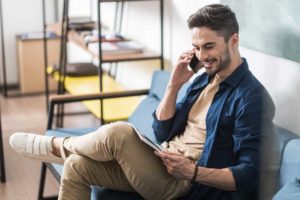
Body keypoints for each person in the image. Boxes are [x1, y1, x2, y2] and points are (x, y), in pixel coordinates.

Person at [9, 4, 275, 200]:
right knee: (77, 166)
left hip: (185, 185)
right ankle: (65, 151)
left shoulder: (251, 98)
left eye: (209, 46)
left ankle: (57, 146)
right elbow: (162, 132)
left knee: (120, 132)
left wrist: (192, 172)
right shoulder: (203, 80)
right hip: (162, 162)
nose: (201, 56)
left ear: (234, 40)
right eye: (196, 47)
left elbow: (249, 174)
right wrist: (174, 84)